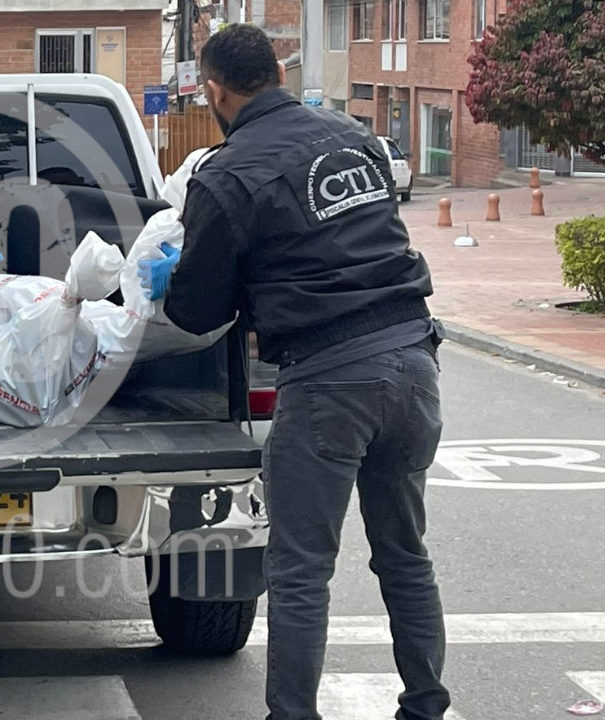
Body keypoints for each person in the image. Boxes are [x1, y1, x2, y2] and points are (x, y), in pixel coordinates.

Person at [139, 25, 450, 720]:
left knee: (302, 572)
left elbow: (196, 312)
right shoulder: (357, 140)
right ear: (277, 72)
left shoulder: (227, 173)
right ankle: (426, 707)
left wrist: (171, 277)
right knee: (405, 555)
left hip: (331, 379)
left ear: (214, 90)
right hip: (413, 360)